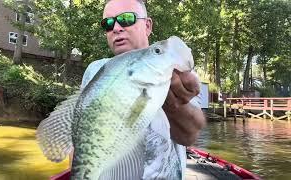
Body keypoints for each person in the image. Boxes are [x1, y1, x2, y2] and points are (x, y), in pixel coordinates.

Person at [75, 0, 206, 179]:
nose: (117, 28)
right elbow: (79, 142)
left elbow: (190, 134)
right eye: (108, 23)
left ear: (147, 25)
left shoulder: (174, 69)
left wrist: (174, 105)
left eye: (127, 19)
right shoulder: (95, 71)